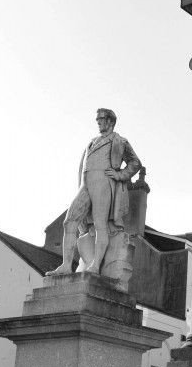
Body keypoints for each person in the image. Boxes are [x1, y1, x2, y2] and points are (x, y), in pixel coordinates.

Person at [48, 108, 141, 277]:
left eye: (101, 118)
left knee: (100, 224)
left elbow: (135, 163)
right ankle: (66, 265)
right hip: (86, 184)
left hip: (104, 183)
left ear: (110, 121)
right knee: (69, 222)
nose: (98, 121)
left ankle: (96, 265)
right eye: (97, 118)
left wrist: (120, 175)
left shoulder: (119, 141)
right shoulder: (92, 141)